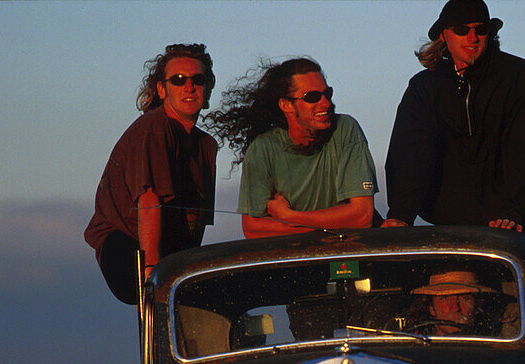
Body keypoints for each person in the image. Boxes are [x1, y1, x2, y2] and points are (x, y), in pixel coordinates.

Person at [384, 0, 525, 237]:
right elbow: (409, 153)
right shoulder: (424, 88)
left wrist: (512, 212)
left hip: (517, 223)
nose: (472, 37)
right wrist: (400, 214)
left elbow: (524, 151)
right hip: (451, 227)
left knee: (518, 267)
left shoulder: (522, 78)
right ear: (443, 35)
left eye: (480, 30)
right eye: (462, 30)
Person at [84, 44, 219, 304]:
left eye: (197, 80)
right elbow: (148, 202)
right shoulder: (155, 128)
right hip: (127, 247)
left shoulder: (206, 146)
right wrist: (151, 276)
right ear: (161, 89)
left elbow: (196, 224)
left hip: (172, 252)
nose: (189, 87)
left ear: (207, 88)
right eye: (178, 80)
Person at [207, 58, 377, 238]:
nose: (326, 103)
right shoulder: (263, 149)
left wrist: (290, 216)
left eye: (327, 93)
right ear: (286, 105)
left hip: (343, 256)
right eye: (312, 97)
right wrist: (333, 225)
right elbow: (253, 228)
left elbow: (362, 216)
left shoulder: (345, 128)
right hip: (291, 259)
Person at [410, 270, 496, 335]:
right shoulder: (414, 345)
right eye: (444, 298)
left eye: (465, 298)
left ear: (478, 304)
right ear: (431, 308)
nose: (455, 308)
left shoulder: (494, 345)